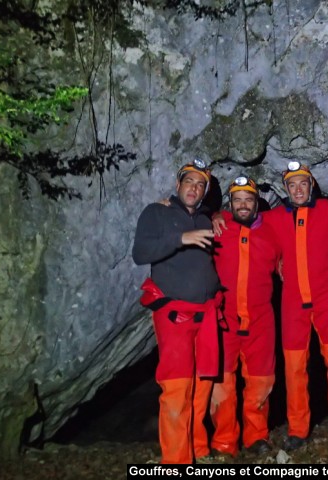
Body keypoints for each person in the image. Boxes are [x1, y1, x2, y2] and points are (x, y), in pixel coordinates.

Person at [132, 159, 223, 464]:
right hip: (174, 314)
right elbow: (140, 253)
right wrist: (180, 238)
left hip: (207, 314)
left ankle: (198, 449)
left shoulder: (206, 219)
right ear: (177, 184)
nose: (194, 188)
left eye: (200, 185)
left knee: (203, 385)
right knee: (177, 387)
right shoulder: (156, 212)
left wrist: (218, 216)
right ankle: (176, 462)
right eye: (189, 182)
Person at [262, 162, 328, 450]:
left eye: (303, 183)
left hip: (326, 297)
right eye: (292, 185)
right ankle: (298, 428)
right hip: (292, 302)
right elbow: (246, 222)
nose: (298, 189)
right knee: (294, 368)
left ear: (311, 185)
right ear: (286, 189)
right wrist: (215, 214)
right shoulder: (275, 218)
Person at [210, 175, 280, 456]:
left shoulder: (271, 232)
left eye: (248, 200)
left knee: (261, 381)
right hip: (224, 320)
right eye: (237, 200)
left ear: (256, 203)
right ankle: (224, 441)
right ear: (230, 203)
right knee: (222, 384)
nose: (242, 205)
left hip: (261, 319)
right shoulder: (219, 227)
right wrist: (213, 214)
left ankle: (256, 437)